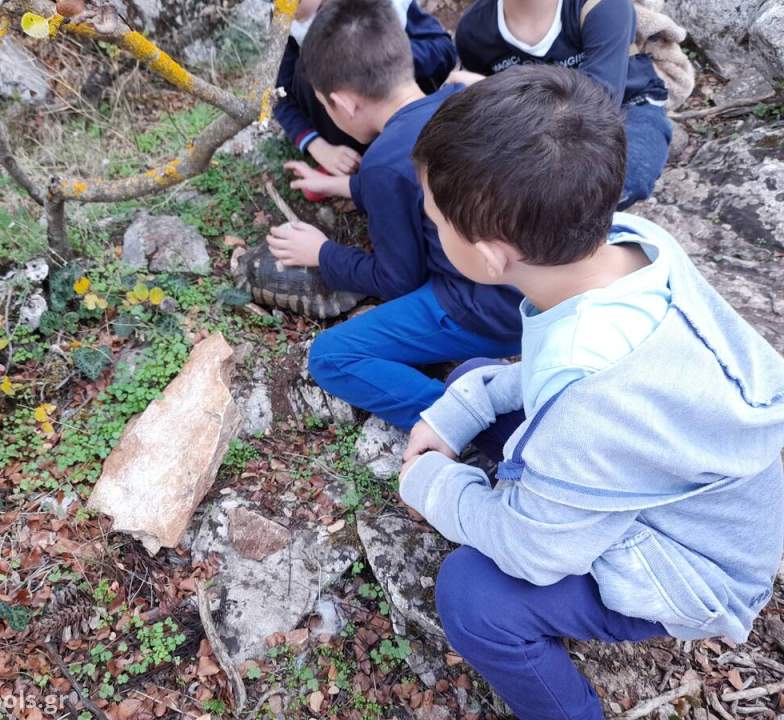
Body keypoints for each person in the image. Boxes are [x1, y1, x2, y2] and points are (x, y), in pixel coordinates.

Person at [400, 64, 784, 720]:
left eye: (437, 221)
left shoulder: (589, 401)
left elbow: (535, 551)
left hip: (697, 568)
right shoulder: (636, 243)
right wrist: (463, 407)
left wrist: (432, 483)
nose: (434, 228)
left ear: (491, 257)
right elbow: (559, 374)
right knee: (474, 381)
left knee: (473, 597)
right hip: (701, 487)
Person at [266, 0, 522, 431]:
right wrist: (347, 185)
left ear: (343, 103)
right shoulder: (460, 98)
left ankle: (473, 424)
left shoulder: (384, 161)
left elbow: (397, 278)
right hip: (532, 285)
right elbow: (416, 182)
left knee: (331, 356)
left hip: (484, 310)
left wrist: (323, 253)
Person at [451, 0, 672, 208]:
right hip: (528, 123)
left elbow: (600, 110)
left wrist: (490, 88)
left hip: (627, 106)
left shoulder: (602, 7)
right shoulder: (474, 30)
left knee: (623, 177)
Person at [274, 0, 456, 182]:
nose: (283, 6)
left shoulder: (388, 6)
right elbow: (276, 93)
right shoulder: (286, 21)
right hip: (350, 132)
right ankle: (356, 166)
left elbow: (444, 49)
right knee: (305, 71)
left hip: (403, 107)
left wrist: (377, 63)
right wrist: (317, 145)